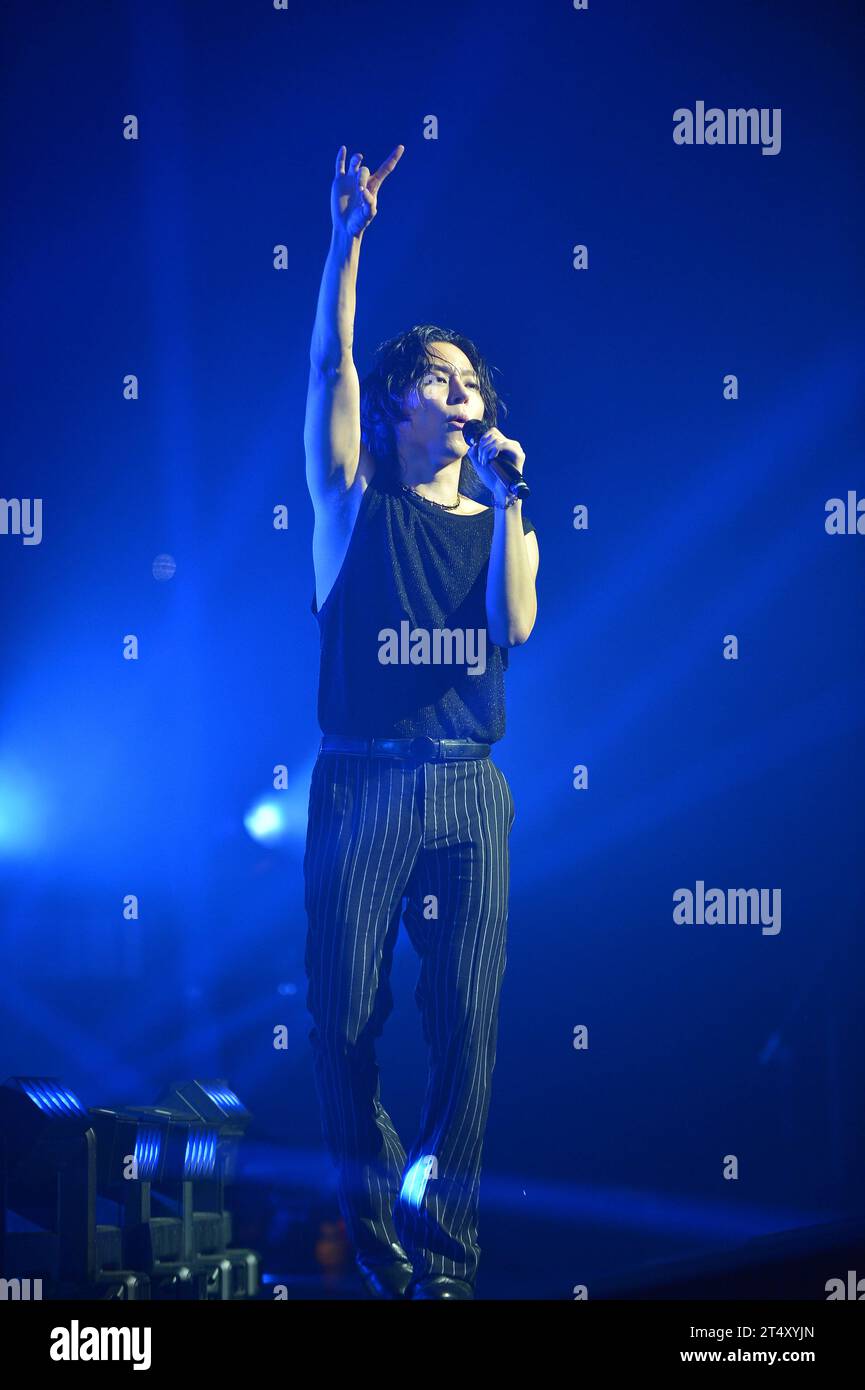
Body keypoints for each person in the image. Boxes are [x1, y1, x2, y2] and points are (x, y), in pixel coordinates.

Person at [302, 143, 539, 1300]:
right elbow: (327, 370)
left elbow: (518, 626)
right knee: (342, 1017)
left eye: (471, 383)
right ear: (400, 404)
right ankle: (380, 1219)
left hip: (465, 783)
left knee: (469, 1022)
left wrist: (512, 503)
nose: (461, 393)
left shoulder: (502, 516)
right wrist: (347, 240)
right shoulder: (352, 507)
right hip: (360, 783)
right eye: (438, 380)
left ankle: (443, 1264)